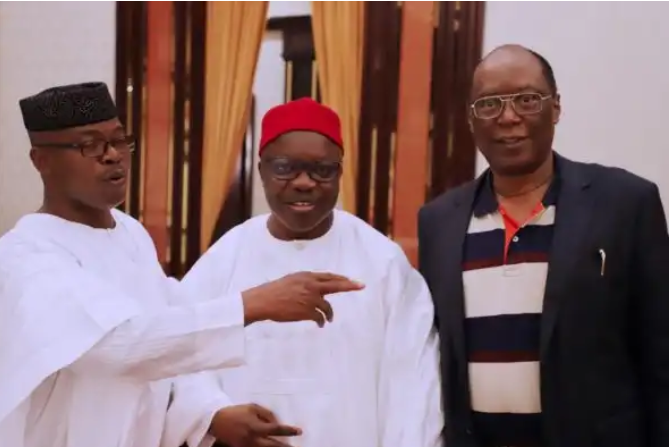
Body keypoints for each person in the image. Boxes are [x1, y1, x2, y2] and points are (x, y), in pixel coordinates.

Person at [0, 83, 364, 447]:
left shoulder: (130, 234)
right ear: (41, 161)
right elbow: (118, 345)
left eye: (119, 140)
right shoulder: (26, 255)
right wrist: (251, 305)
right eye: (90, 145)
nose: (113, 156)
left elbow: (166, 347)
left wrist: (212, 415)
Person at [417, 44, 669, 447]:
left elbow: (660, 354)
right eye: (489, 104)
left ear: (555, 108)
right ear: (471, 120)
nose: (509, 116)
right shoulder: (438, 222)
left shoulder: (624, 204)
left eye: (527, 99)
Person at [180, 98, 444, 447]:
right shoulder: (225, 257)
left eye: (322, 169)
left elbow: (415, 386)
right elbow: (177, 354)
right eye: (285, 168)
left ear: (340, 173)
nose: (304, 182)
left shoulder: (382, 262)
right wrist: (214, 414)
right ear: (261, 171)